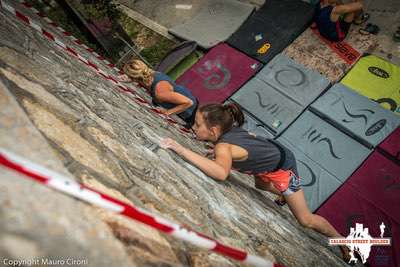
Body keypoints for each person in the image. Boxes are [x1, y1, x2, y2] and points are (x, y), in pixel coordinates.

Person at [161, 102, 351, 261]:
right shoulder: (226, 135)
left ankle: (341, 239)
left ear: (213, 130)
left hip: (282, 167)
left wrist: (181, 149)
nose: (193, 127)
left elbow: (220, 173)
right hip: (268, 155)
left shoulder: (223, 146)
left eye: (197, 124)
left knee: (305, 220)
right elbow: (247, 139)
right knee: (260, 186)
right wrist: (224, 153)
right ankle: (284, 195)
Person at [123, 59, 198, 129]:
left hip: (192, 115)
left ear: (135, 78)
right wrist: (131, 80)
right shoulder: (151, 75)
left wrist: (166, 112)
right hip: (184, 105)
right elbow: (145, 81)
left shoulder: (160, 92)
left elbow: (188, 102)